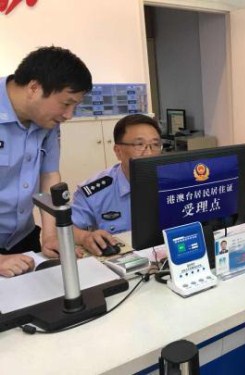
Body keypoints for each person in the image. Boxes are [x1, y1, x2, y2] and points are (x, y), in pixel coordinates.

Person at [0, 46, 92, 277]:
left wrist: (51, 235)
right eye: (66, 103)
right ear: (34, 88)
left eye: (75, 106)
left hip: (22, 238)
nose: (69, 115)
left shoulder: (46, 123)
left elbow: (49, 176)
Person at [71, 114, 162, 256]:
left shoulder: (174, 181)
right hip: (120, 263)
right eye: (139, 145)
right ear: (118, 151)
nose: (149, 153)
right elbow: (66, 229)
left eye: (155, 144)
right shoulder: (95, 191)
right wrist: (85, 237)